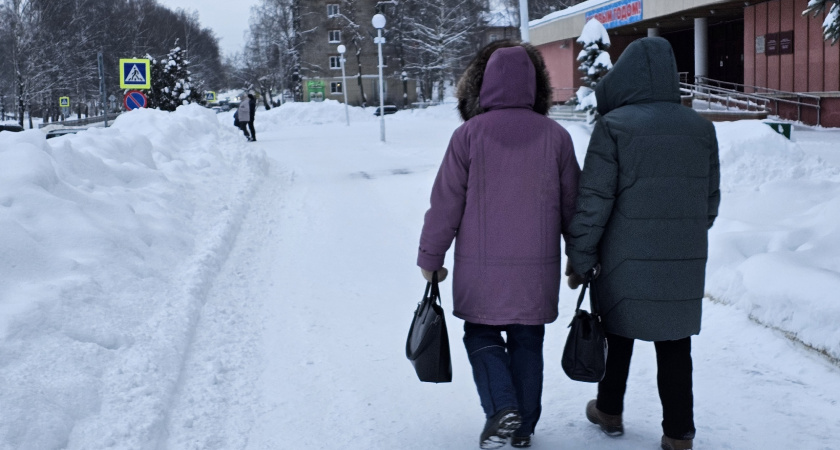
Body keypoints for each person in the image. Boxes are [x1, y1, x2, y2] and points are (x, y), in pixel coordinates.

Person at [417, 40, 580, 449]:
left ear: (484, 84)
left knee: (480, 334)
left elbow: (445, 204)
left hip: (481, 271)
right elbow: (574, 207)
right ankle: (522, 428)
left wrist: (431, 257)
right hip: (537, 272)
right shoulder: (557, 137)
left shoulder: (467, 136)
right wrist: (579, 257)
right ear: (535, 85)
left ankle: (502, 408)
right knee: (528, 341)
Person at [565, 37, 721, 450]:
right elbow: (709, 202)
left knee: (617, 329)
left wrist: (580, 255)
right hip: (682, 259)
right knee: (675, 343)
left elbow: (594, 200)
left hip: (622, 257)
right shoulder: (701, 128)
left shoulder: (614, 126)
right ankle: (679, 434)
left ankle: (609, 409)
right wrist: (683, 237)